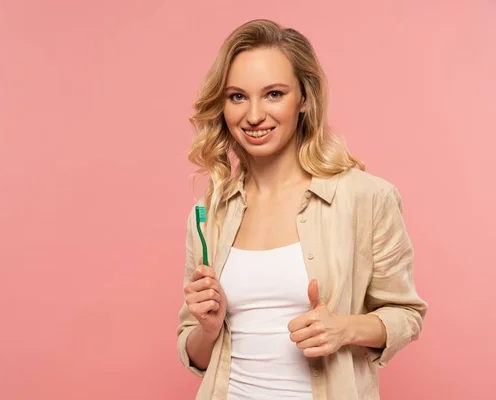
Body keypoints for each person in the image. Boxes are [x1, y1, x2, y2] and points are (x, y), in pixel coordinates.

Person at [176, 19, 428, 400]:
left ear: (304, 98)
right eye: (238, 96)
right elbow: (194, 352)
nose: (254, 115)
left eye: (274, 94)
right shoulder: (209, 213)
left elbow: (407, 315)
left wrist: (344, 328)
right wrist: (209, 328)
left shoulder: (365, 198)